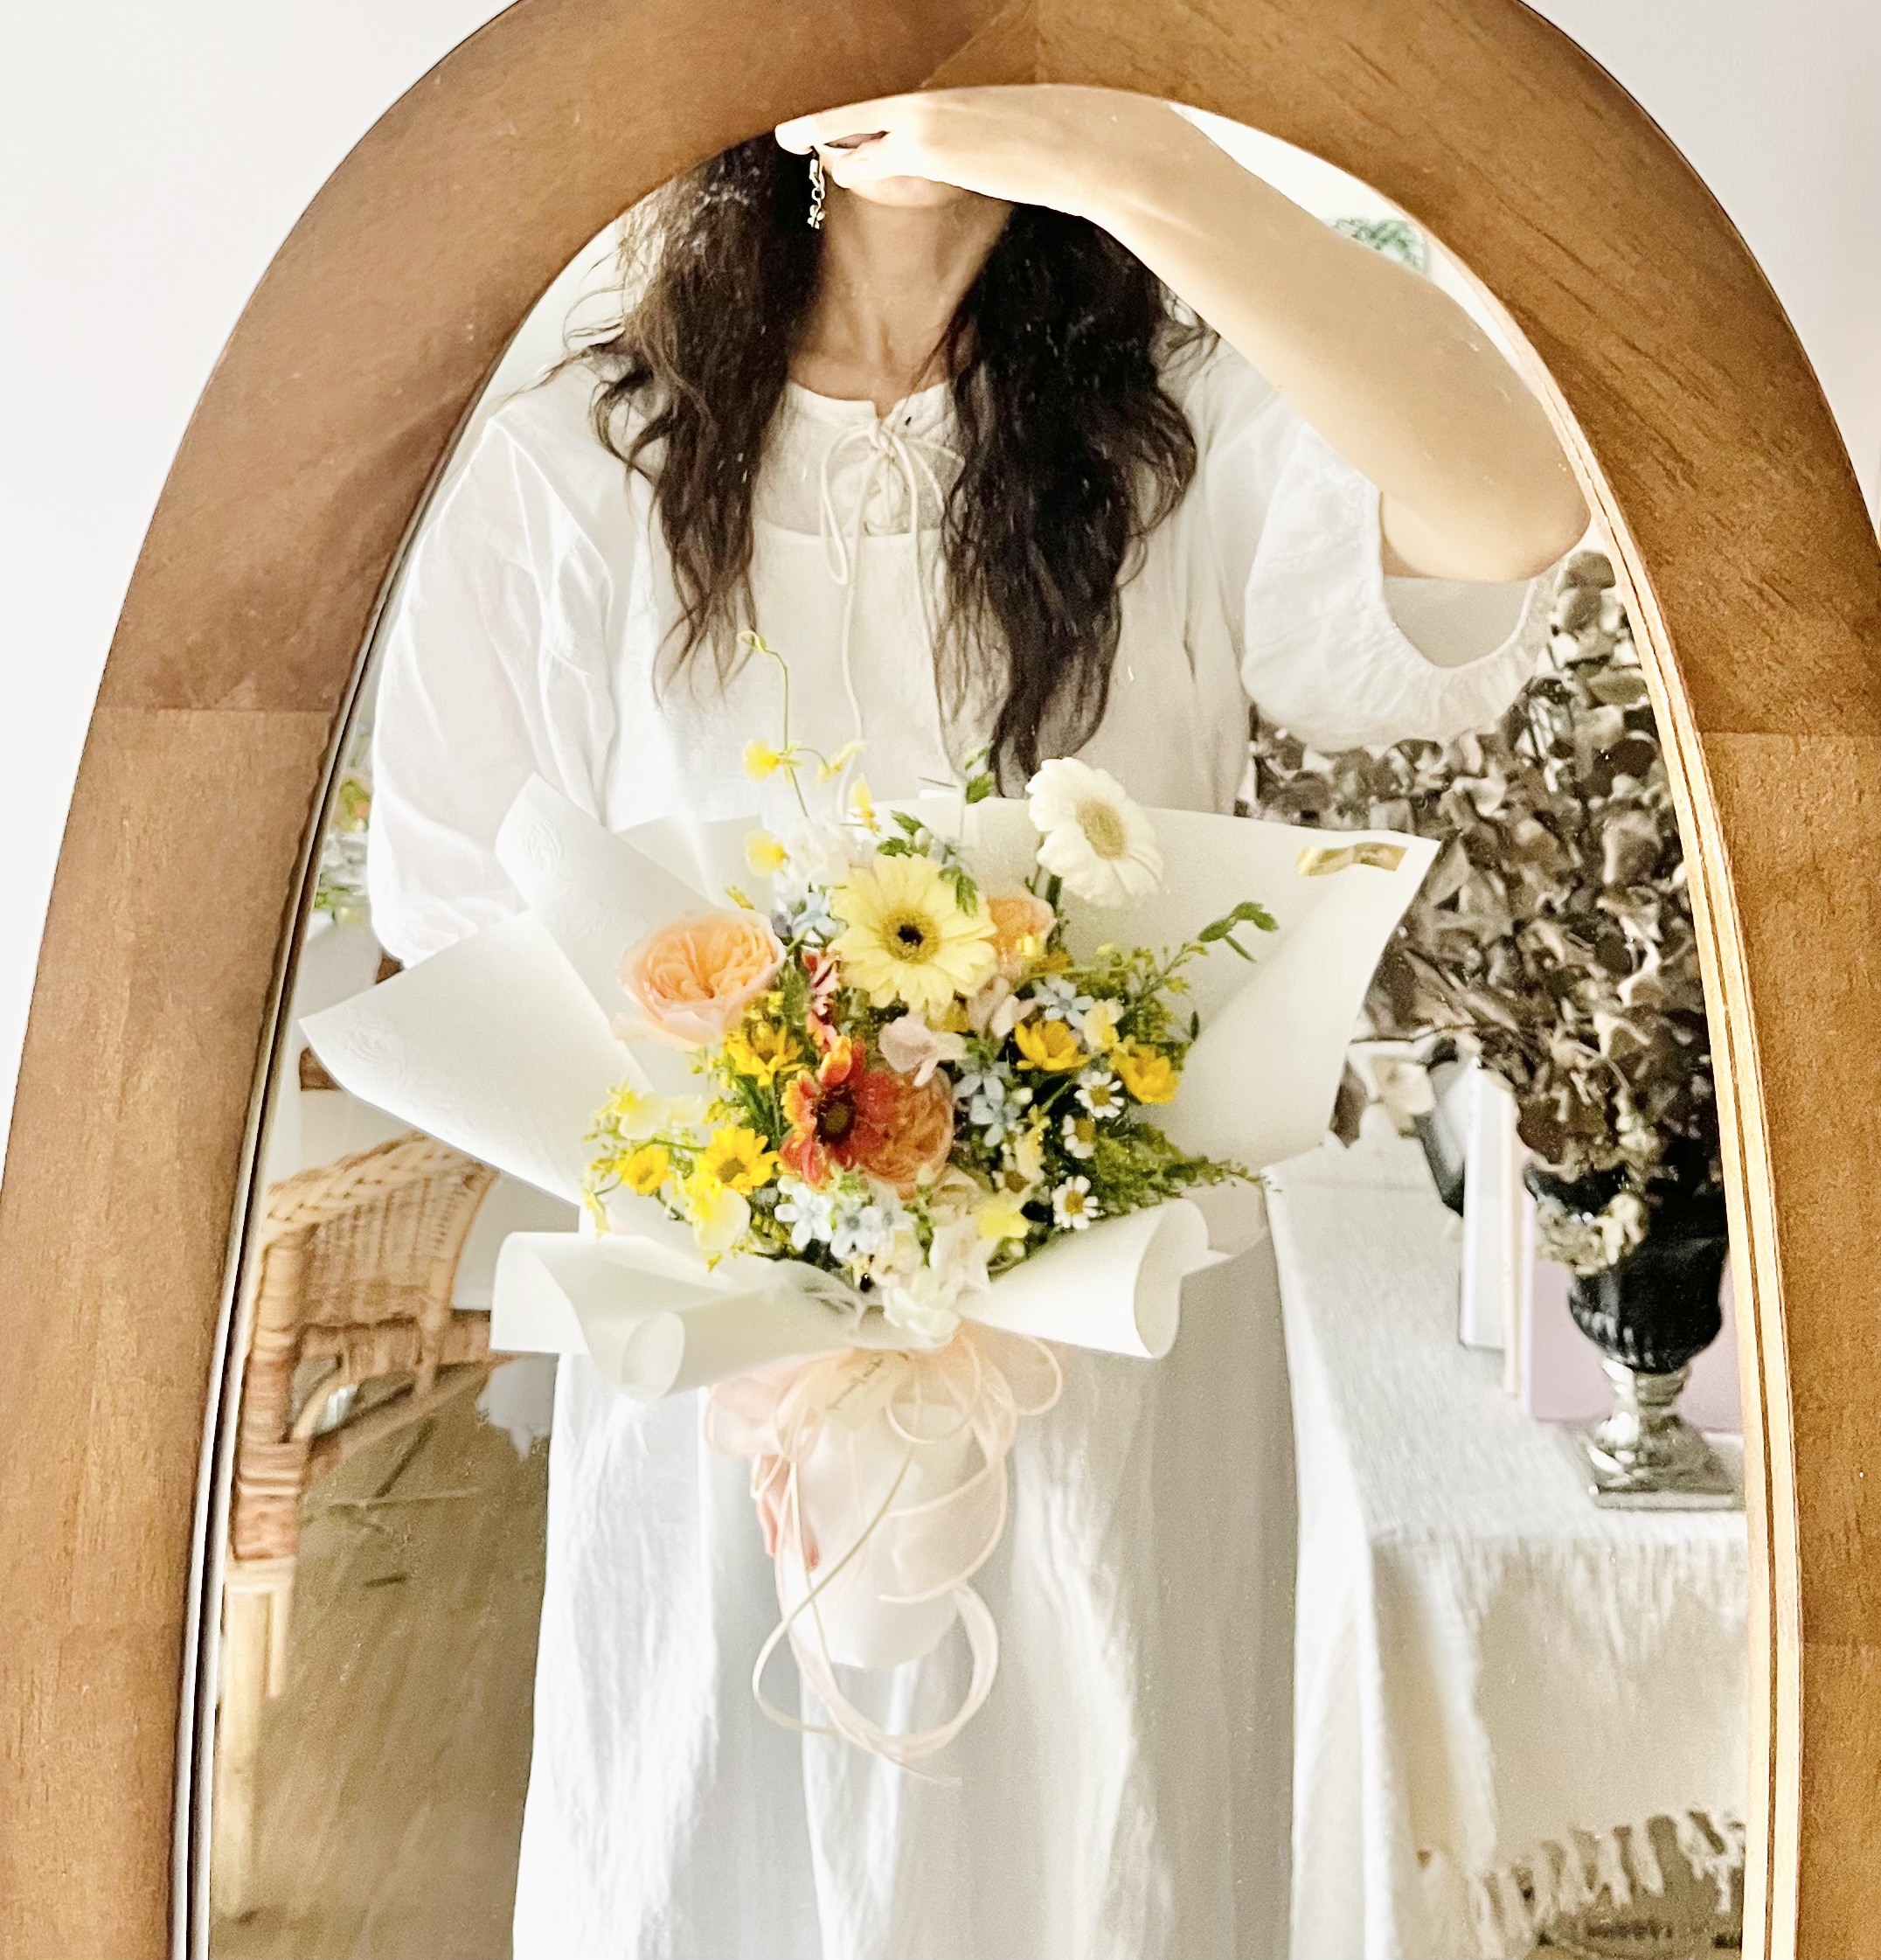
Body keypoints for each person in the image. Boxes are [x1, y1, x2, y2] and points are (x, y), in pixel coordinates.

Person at [367, 86, 1586, 1960]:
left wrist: (1125, 156)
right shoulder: (583, 445)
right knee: (706, 1865)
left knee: (1107, 1862)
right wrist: (773, 1205)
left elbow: (1510, 504)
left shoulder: (1189, 419)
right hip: (726, 1393)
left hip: (1116, 1377)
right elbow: (458, 918)